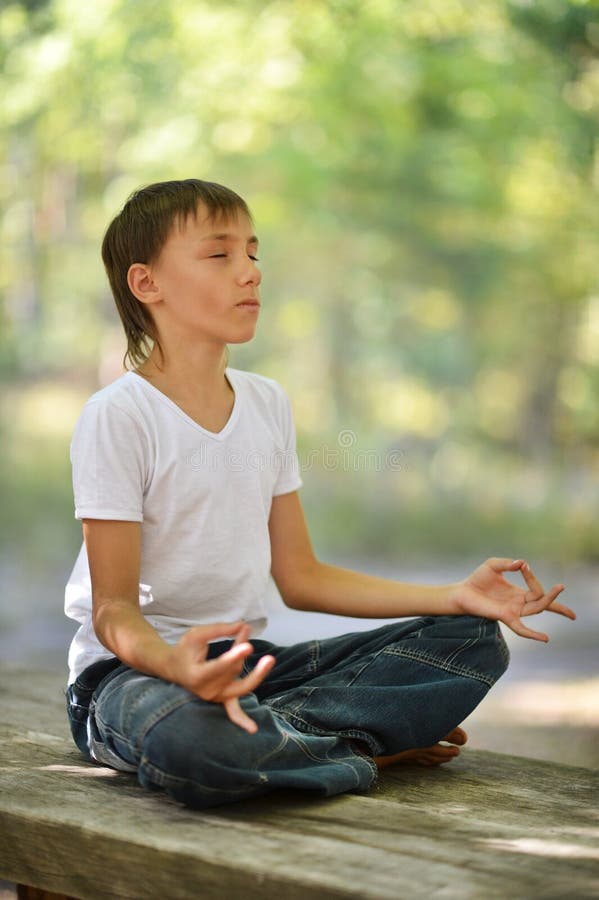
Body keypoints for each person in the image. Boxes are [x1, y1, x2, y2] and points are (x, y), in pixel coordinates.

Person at [64, 178, 575, 809]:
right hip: (136, 676)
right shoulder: (120, 415)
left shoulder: (267, 403)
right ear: (147, 284)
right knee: (187, 738)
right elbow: (113, 611)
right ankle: (360, 749)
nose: (250, 273)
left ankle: (282, 741)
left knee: (469, 640)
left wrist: (454, 595)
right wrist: (176, 668)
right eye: (220, 255)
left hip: (254, 669)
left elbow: (300, 577)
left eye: (254, 253)